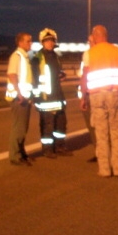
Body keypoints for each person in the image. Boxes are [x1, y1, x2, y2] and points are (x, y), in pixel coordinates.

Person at [83, 25, 118, 178]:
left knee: (101, 135)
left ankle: (104, 170)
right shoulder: (117, 50)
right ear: (106, 35)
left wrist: (84, 97)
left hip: (96, 97)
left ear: (94, 36)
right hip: (114, 95)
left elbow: (84, 77)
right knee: (116, 132)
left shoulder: (89, 53)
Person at [31, 28, 73, 158]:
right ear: (42, 42)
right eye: (47, 41)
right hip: (46, 98)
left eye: (52, 41)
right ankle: (47, 149)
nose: (50, 43)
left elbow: (56, 73)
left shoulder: (55, 55)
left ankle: (60, 146)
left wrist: (62, 75)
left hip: (58, 96)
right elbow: (34, 79)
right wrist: (36, 97)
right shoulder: (37, 58)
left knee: (61, 123)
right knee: (47, 124)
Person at [6, 32, 34, 166]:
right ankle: (15, 155)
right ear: (20, 43)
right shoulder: (17, 56)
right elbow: (12, 75)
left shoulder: (25, 57)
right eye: (28, 41)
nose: (30, 43)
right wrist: (19, 93)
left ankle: (21, 152)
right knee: (19, 128)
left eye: (30, 41)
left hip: (25, 97)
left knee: (23, 128)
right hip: (19, 98)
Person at [80, 35, 97, 162]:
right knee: (92, 126)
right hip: (90, 94)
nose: (90, 43)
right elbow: (83, 76)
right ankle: (98, 150)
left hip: (95, 95)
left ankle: (102, 152)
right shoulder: (87, 55)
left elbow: (85, 76)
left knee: (98, 126)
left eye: (92, 41)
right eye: (89, 41)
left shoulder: (91, 55)